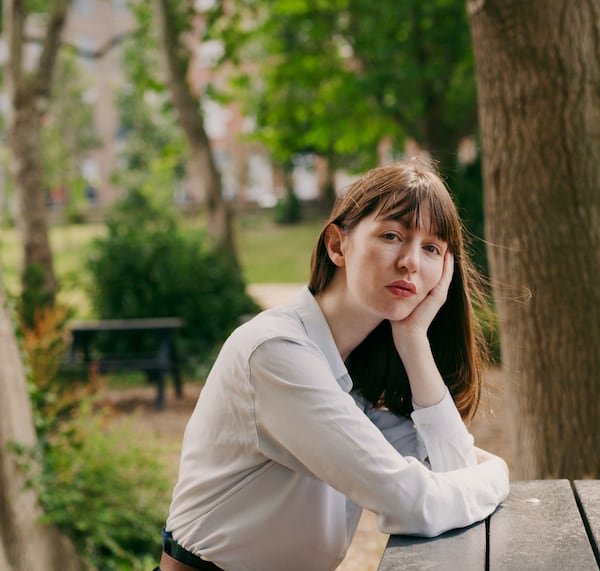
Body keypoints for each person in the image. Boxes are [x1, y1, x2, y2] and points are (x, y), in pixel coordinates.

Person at [157, 161, 510, 571]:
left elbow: (450, 468)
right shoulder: (276, 354)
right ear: (337, 246)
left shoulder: (350, 368)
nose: (411, 262)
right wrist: (499, 472)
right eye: (393, 236)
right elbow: (412, 502)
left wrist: (414, 341)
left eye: (431, 248)